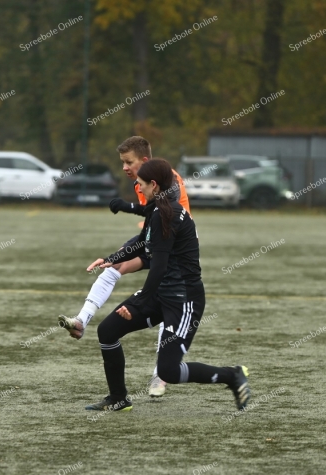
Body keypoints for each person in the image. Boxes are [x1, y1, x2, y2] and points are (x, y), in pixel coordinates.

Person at [84, 158, 251, 413]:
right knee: (107, 331)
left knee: (169, 371)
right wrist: (111, 259)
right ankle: (118, 398)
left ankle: (233, 375)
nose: (138, 188)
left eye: (141, 184)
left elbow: (158, 266)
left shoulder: (166, 215)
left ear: (154, 185)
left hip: (184, 300)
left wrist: (138, 303)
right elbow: (141, 243)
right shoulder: (156, 209)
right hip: (162, 293)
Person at [58, 136, 191, 397]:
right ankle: (81, 321)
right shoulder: (140, 183)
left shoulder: (167, 177)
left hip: (173, 247)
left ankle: (160, 374)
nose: (124, 168)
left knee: (165, 296)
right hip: (153, 241)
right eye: (122, 162)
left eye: (128, 162)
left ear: (144, 161)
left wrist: (128, 208)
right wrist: (119, 253)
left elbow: (162, 210)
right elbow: (149, 218)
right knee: (113, 266)